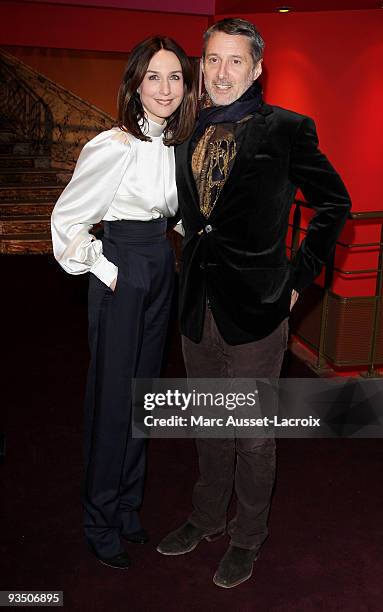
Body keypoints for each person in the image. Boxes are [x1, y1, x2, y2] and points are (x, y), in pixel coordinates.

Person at [157, 18, 351, 588]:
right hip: (196, 304)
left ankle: (248, 536)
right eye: (212, 60)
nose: (220, 73)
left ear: (257, 68)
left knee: (254, 432)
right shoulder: (186, 127)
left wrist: (297, 281)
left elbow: (333, 206)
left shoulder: (288, 129)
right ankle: (207, 517)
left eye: (234, 61)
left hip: (260, 308)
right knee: (209, 424)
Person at [51, 36, 196, 569]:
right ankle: (99, 516)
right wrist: (108, 269)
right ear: (135, 83)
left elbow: (172, 210)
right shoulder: (113, 145)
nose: (165, 88)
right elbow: (64, 224)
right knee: (113, 399)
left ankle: (129, 504)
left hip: (160, 264)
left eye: (175, 77)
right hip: (123, 267)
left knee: (144, 397)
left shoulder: (176, 145)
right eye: (154, 76)